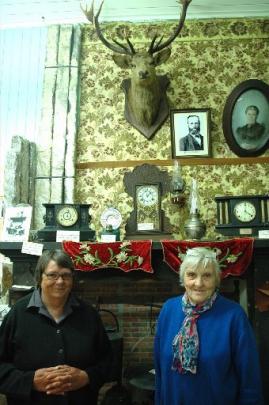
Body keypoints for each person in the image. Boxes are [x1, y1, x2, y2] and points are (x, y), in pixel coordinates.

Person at [0, 249, 112, 405]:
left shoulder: (89, 314)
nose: (60, 281)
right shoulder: (17, 314)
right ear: (39, 278)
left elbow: (107, 361)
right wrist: (30, 381)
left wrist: (86, 377)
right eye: (52, 275)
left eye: (66, 275)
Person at [154, 247, 263, 405]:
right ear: (183, 278)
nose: (199, 283)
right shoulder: (168, 309)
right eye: (192, 275)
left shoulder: (234, 315)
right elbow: (160, 372)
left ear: (216, 279)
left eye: (207, 276)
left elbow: (250, 378)